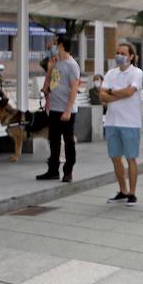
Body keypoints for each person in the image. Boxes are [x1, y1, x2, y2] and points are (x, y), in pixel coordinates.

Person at [35, 35, 82, 185]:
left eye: (54, 44)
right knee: (54, 141)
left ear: (61, 45)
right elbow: (46, 87)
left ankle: (68, 172)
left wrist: (68, 110)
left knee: (68, 142)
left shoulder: (72, 65)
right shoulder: (55, 62)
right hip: (54, 108)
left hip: (66, 110)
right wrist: (49, 69)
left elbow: (74, 88)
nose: (51, 46)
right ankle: (53, 170)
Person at [99, 42, 142, 202]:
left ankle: (132, 193)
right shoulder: (111, 73)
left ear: (131, 56)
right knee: (115, 157)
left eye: (123, 53)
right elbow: (102, 95)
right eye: (118, 52)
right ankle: (123, 190)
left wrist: (111, 92)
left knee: (131, 158)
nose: (119, 56)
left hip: (130, 122)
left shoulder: (136, 72)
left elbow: (130, 92)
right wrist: (119, 94)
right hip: (112, 121)